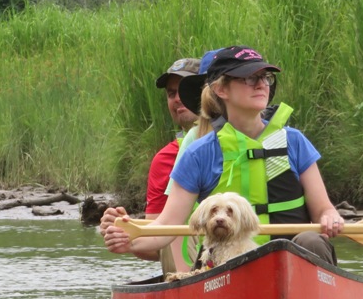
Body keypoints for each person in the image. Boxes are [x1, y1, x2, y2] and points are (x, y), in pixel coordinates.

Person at [102, 45, 345, 271]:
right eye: (250, 78)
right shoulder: (199, 154)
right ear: (221, 89)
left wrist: (330, 216)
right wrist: (129, 241)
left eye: (265, 77)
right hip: (227, 268)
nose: (261, 84)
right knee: (224, 257)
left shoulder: (295, 142)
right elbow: (166, 228)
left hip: (292, 266)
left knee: (312, 241)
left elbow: (323, 209)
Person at [101, 57, 201, 273]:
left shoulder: (238, 143)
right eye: (171, 93)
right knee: (173, 232)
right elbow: (156, 248)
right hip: (190, 276)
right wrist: (125, 232)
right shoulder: (163, 159)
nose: (177, 98)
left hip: (237, 259)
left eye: (185, 89)